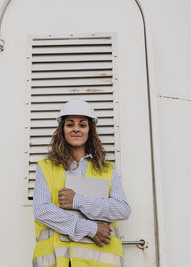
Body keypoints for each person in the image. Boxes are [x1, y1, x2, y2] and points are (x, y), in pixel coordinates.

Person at [32, 99, 131, 267]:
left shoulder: (106, 169)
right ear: (62, 130)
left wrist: (78, 200)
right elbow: (42, 210)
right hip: (58, 262)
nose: (76, 129)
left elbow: (122, 209)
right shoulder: (46, 167)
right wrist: (91, 229)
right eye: (70, 124)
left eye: (82, 125)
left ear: (90, 130)